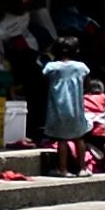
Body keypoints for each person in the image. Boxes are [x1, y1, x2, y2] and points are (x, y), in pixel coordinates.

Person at [41, 36, 90, 178]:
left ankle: (63, 170)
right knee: (79, 138)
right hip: (76, 110)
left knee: (62, 140)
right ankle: (82, 169)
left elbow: (43, 83)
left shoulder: (51, 67)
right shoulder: (81, 67)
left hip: (57, 110)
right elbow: (87, 85)